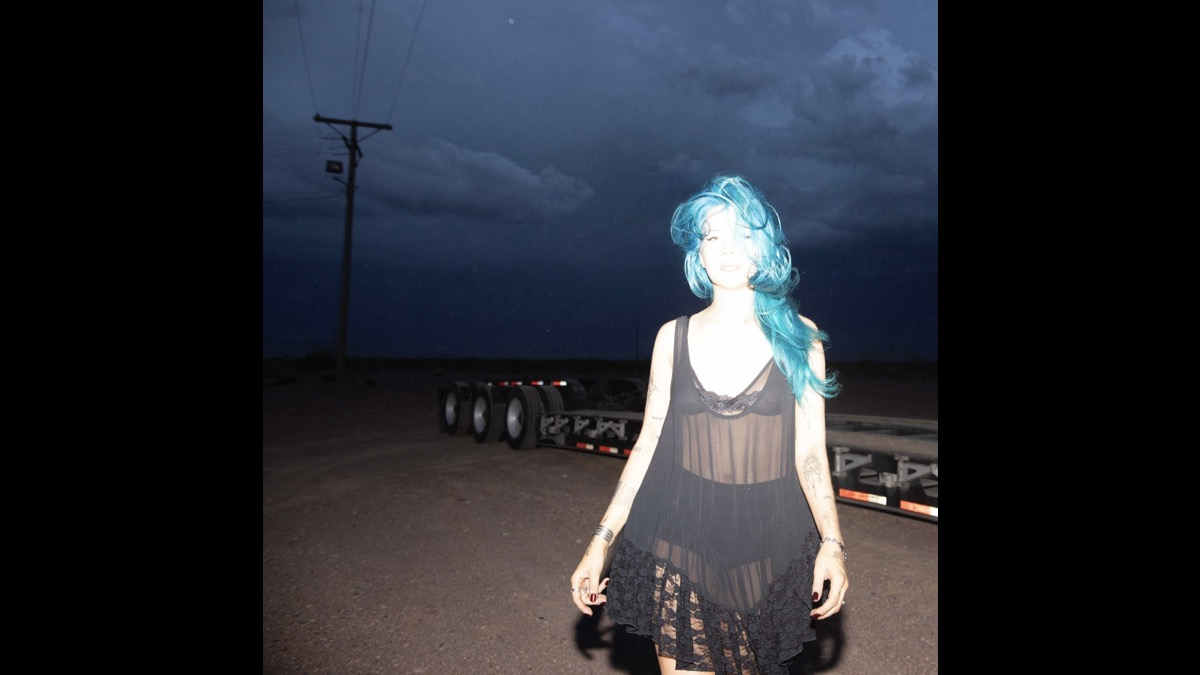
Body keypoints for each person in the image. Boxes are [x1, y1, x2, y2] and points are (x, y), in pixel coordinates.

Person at [569, 175, 848, 674]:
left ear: (764, 248)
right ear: (697, 254)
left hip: (770, 545)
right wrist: (601, 541)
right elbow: (648, 445)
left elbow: (809, 453)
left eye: (742, 235)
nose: (727, 249)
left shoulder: (799, 339)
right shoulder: (671, 338)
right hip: (681, 537)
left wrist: (832, 543)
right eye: (712, 237)